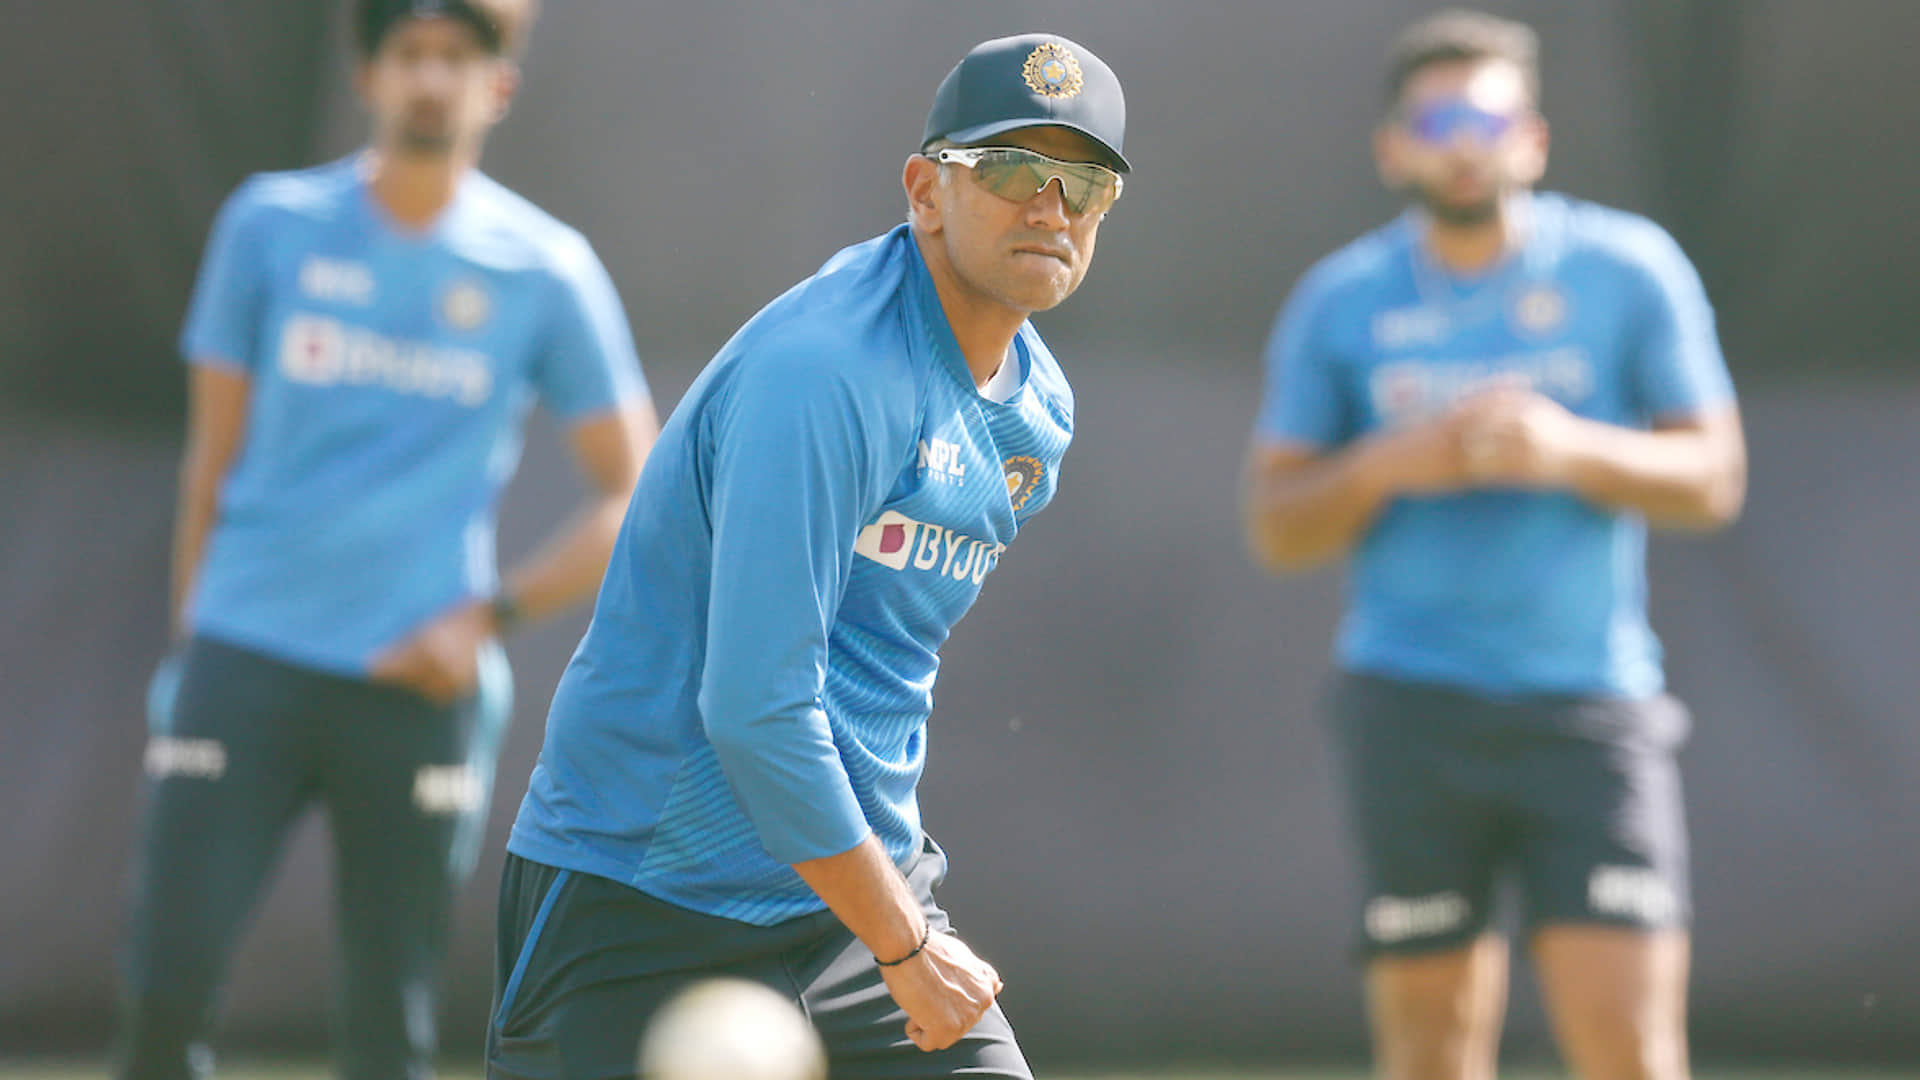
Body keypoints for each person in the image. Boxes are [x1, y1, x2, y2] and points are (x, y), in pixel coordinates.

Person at [486, 33, 1129, 1080]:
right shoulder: (827, 374)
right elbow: (754, 705)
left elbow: (878, 655)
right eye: (1011, 171)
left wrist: (892, 912)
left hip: (844, 897)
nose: (1050, 208)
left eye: (1084, 183)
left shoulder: (1037, 415)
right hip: (649, 888)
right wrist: (907, 946)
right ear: (925, 190)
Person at [117, 2, 658, 1077]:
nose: (431, 79)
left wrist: (488, 619)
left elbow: (635, 493)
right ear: (366, 76)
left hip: (415, 691)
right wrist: (196, 647)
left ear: (497, 87)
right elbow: (207, 465)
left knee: (389, 1023)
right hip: (244, 658)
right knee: (165, 993)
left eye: (457, 58)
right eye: (408, 54)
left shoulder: (544, 269)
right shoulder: (267, 227)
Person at [1240, 10, 1745, 1080]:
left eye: (1489, 116)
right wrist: (1389, 463)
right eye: (1437, 118)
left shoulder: (1628, 269)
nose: (1465, 141)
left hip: (1589, 709)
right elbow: (1277, 526)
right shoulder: (1343, 300)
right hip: (1411, 709)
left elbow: (1713, 479)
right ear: (1393, 146)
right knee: (1428, 1054)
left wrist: (1566, 449)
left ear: (1535, 139)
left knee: (1634, 1054)